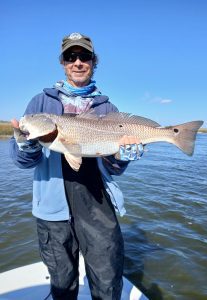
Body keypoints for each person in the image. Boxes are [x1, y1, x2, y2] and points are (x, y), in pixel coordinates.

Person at [9, 32, 144, 300]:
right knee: (62, 281)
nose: (78, 62)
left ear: (94, 62)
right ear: (62, 62)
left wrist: (123, 156)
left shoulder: (108, 108)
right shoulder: (40, 103)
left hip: (98, 204)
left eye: (85, 56)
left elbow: (114, 169)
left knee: (107, 280)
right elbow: (23, 161)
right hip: (52, 207)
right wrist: (26, 142)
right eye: (71, 56)